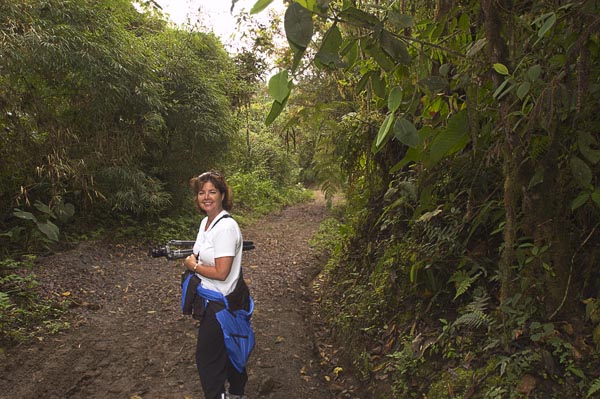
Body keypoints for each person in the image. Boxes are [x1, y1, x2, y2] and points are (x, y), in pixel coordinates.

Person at [183, 170, 252, 399]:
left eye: (212, 191)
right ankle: (236, 393)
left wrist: (192, 266)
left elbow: (221, 273)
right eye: (202, 192)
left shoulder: (225, 227)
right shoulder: (206, 222)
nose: (207, 197)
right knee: (226, 350)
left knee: (207, 359)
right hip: (211, 300)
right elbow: (201, 253)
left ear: (223, 194)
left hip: (220, 304)